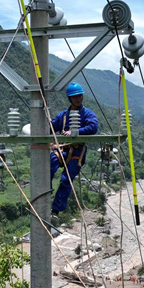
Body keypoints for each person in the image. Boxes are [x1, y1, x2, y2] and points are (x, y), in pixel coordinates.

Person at [50, 82, 98, 217]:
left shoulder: (87, 114)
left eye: (79, 96)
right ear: (70, 98)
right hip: (63, 150)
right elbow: (51, 127)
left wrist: (76, 132)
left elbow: (93, 127)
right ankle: (46, 190)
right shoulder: (63, 116)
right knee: (50, 160)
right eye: (75, 97)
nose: (78, 99)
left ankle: (56, 209)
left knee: (66, 179)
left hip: (77, 152)